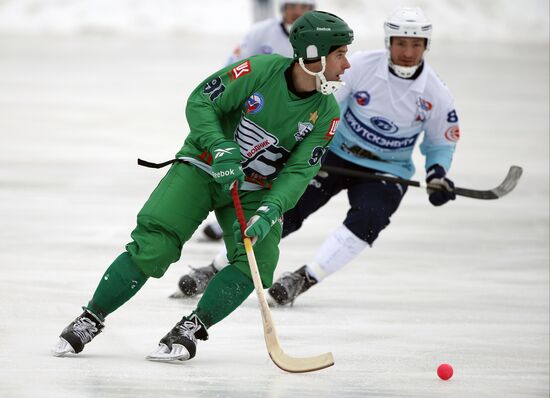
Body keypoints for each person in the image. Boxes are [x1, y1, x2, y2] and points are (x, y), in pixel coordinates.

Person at [51, 10, 354, 361]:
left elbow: (300, 170)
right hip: (203, 168)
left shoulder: (327, 112)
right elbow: (201, 100)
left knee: (260, 260)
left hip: (253, 190)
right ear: (314, 54)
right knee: (156, 244)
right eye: (340, 53)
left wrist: (273, 208)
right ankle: (91, 317)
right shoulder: (258, 70)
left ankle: (191, 328)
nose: (346, 64)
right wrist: (220, 146)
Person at [176, 6, 461, 306]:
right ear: (389, 41)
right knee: (284, 213)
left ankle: (305, 278)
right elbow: (323, 104)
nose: (407, 51)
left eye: (416, 44)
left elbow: (441, 140)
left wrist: (437, 173)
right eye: (401, 43)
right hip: (333, 153)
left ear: (426, 45)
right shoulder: (361, 66)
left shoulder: (436, 93)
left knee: (370, 219)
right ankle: (216, 267)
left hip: (387, 170)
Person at [201, 0, 316, 241]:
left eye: (304, 8)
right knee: (240, 165)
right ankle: (225, 217)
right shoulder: (260, 33)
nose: (298, 13)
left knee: (269, 175)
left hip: (290, 124)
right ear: (282, 8)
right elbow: (232, 69)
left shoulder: (320, 41)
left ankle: (247, 220)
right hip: (254, 115)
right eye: (292, 6)